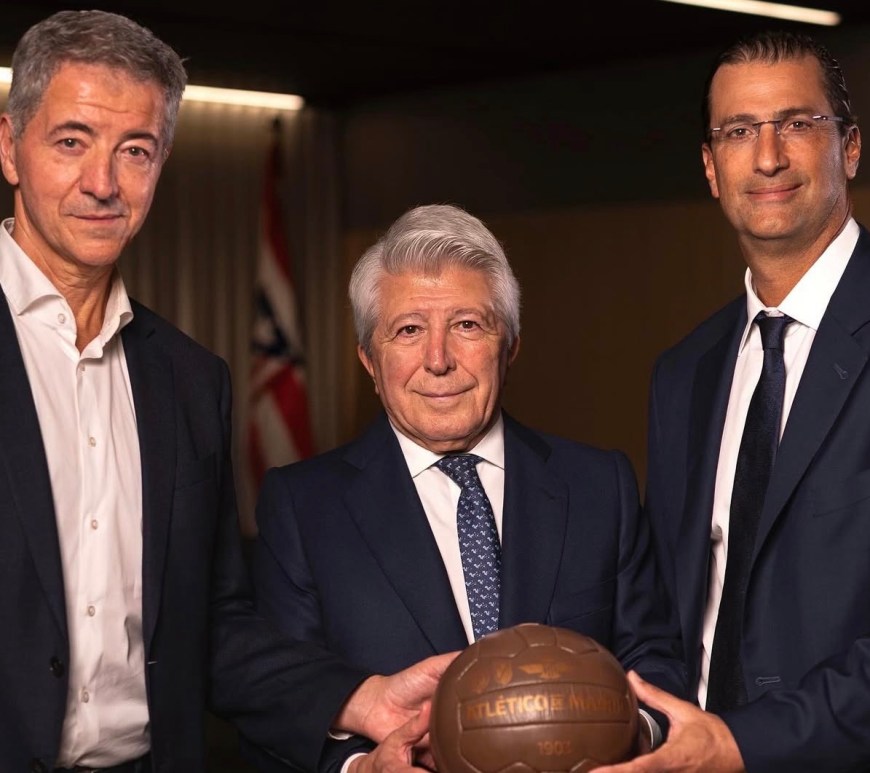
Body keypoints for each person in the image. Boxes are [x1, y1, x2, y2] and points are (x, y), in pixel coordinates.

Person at [0, 10, 457, 772]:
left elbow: (211, 622)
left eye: (135, 150)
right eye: (72, 141)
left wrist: (359, 698)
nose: (103, 183)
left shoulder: (189, 379)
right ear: (9, 147)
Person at [243, 203, 688, 772]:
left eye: (467, 325)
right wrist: (361, 768)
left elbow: (655, 657)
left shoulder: (600, 487)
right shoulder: (303, 508)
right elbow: (285, 702)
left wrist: (629, 741)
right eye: (408, 330)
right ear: (370, 362)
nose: (438, 360)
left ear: (511, 345)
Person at [595, 30, 869, 773]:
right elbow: (663, 608)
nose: (768, 156)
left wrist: (742, 743)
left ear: (849, 148)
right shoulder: (683, 373)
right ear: (712, 168)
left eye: (797, 123)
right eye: (739, 131)